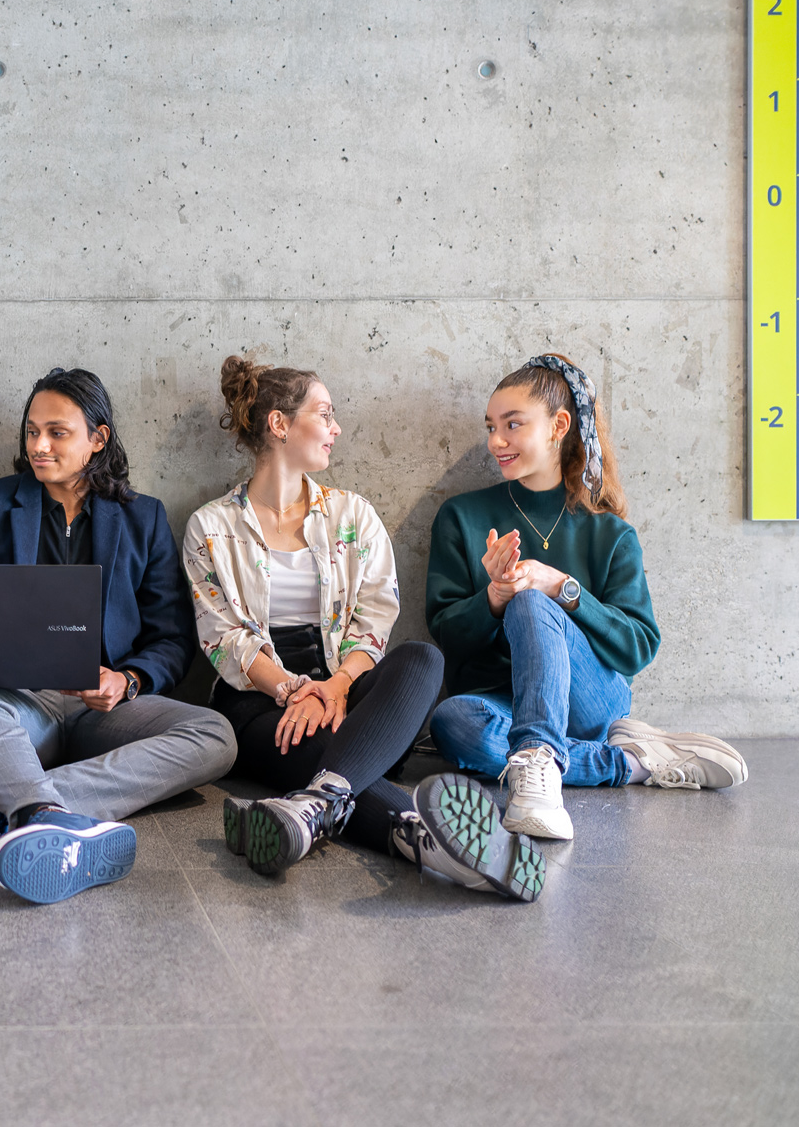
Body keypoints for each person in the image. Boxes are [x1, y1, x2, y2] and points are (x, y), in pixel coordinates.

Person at [185, 356, 543, 900]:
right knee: (347, 754)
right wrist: (291, 689)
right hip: (258, 703)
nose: (336, 429)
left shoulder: (353, 515)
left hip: (345, 688)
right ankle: (424, 838)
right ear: (280, 425)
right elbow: (223, 637)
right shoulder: (210, 526)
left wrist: (335, 686)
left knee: (423, 659)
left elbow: (376, 614)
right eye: (324, 415)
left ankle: (311, 807)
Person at [0, 367, 235, 905]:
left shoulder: (143, 518)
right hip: (17, 705)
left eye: (57, 432)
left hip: (106, 711)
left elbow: (172, 640)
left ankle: (14, 805)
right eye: (31, 431)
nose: (39, 445)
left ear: (98, 439)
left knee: (216, 736)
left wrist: (127, 680)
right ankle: (39, 810)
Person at [426, 354, 748, 842]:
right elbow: (447, 636)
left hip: (589, 699)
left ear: (559, 426)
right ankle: (629, 762)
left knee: (534, 601)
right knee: (452, 723)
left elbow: (637, 648)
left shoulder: (610, 533)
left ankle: (537, 778)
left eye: (513, 425)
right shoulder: (463, 517)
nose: (496, 441)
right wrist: (493, 596)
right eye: (491, 426)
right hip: (500, 700)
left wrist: (560, 588)